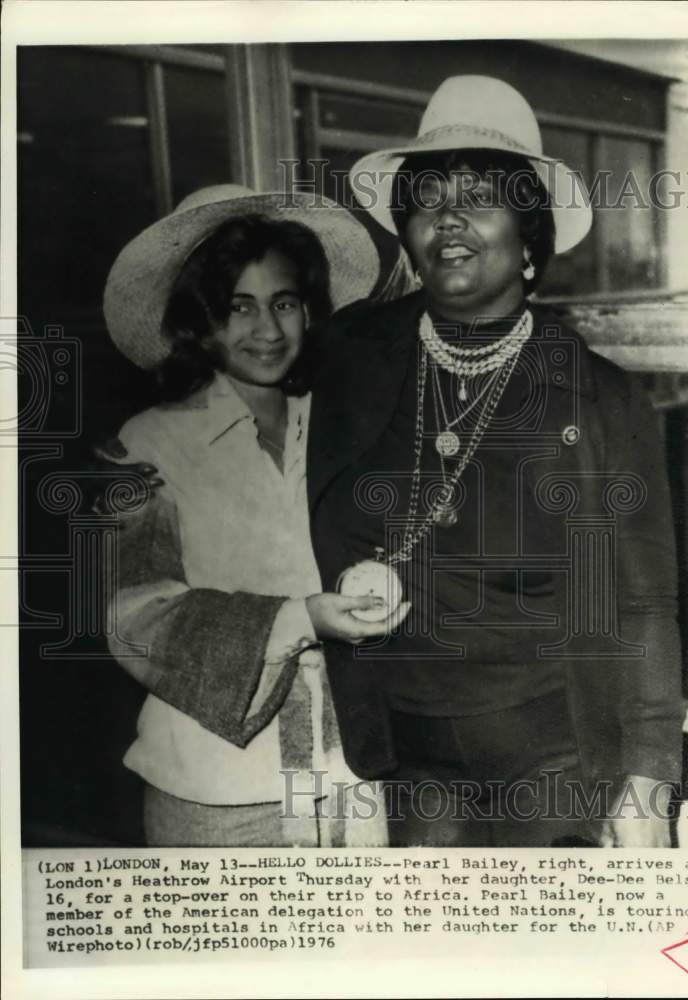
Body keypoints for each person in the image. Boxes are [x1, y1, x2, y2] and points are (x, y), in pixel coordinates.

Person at [306, 76, 684, 847]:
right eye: (427, 196)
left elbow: (642, 604)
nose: (447, 216)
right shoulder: (352, 357)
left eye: (479, 196)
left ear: (529, 237)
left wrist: (646, 780)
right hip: (403, 754)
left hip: (553, 755)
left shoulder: (599, 398)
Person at [101, 184, 408, 847]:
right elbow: (136, 615)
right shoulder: (146, 445)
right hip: (217, 792)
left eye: (284, 303)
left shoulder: (342, 427)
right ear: (198, 321)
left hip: (351, 778)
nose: (267, 331)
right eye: (238, 307)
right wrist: (301, 619)